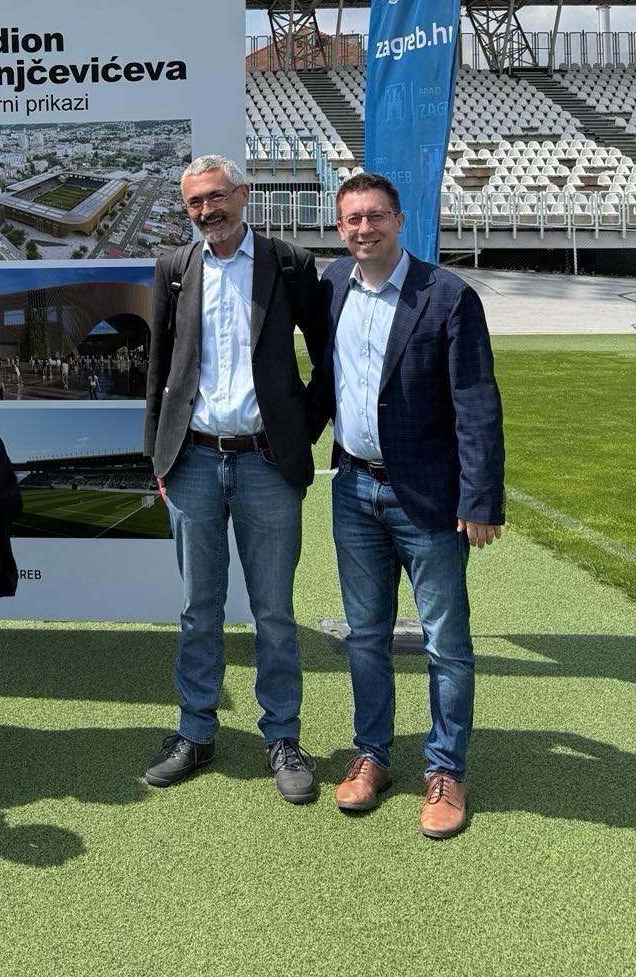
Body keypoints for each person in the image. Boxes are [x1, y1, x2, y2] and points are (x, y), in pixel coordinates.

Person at [316, 172, 504, 839]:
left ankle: (446, 770)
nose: (363, 229)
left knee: (446, 643)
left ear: (399, 220)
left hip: (429, 497)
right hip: (353, 490)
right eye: (352, 219)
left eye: (375, 216)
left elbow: (476, 402)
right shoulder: (331, 286)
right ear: (339, 228)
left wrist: (480, 498)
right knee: (365, 636)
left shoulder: (447, 295)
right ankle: (372, 755)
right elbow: (323, 381)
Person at [142, 155, 325, 799]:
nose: (206, 211)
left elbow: (325, 357)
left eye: (216, 197)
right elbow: (159, 365)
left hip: (266, 462)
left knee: (273, 611)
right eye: (195, 202)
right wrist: (159, 454)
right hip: (192, 460)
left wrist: (301, 430)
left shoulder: (289, 262)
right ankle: (195, 731)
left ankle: (282, 735)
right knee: (199, 609)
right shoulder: (174, 267)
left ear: (242, 195)